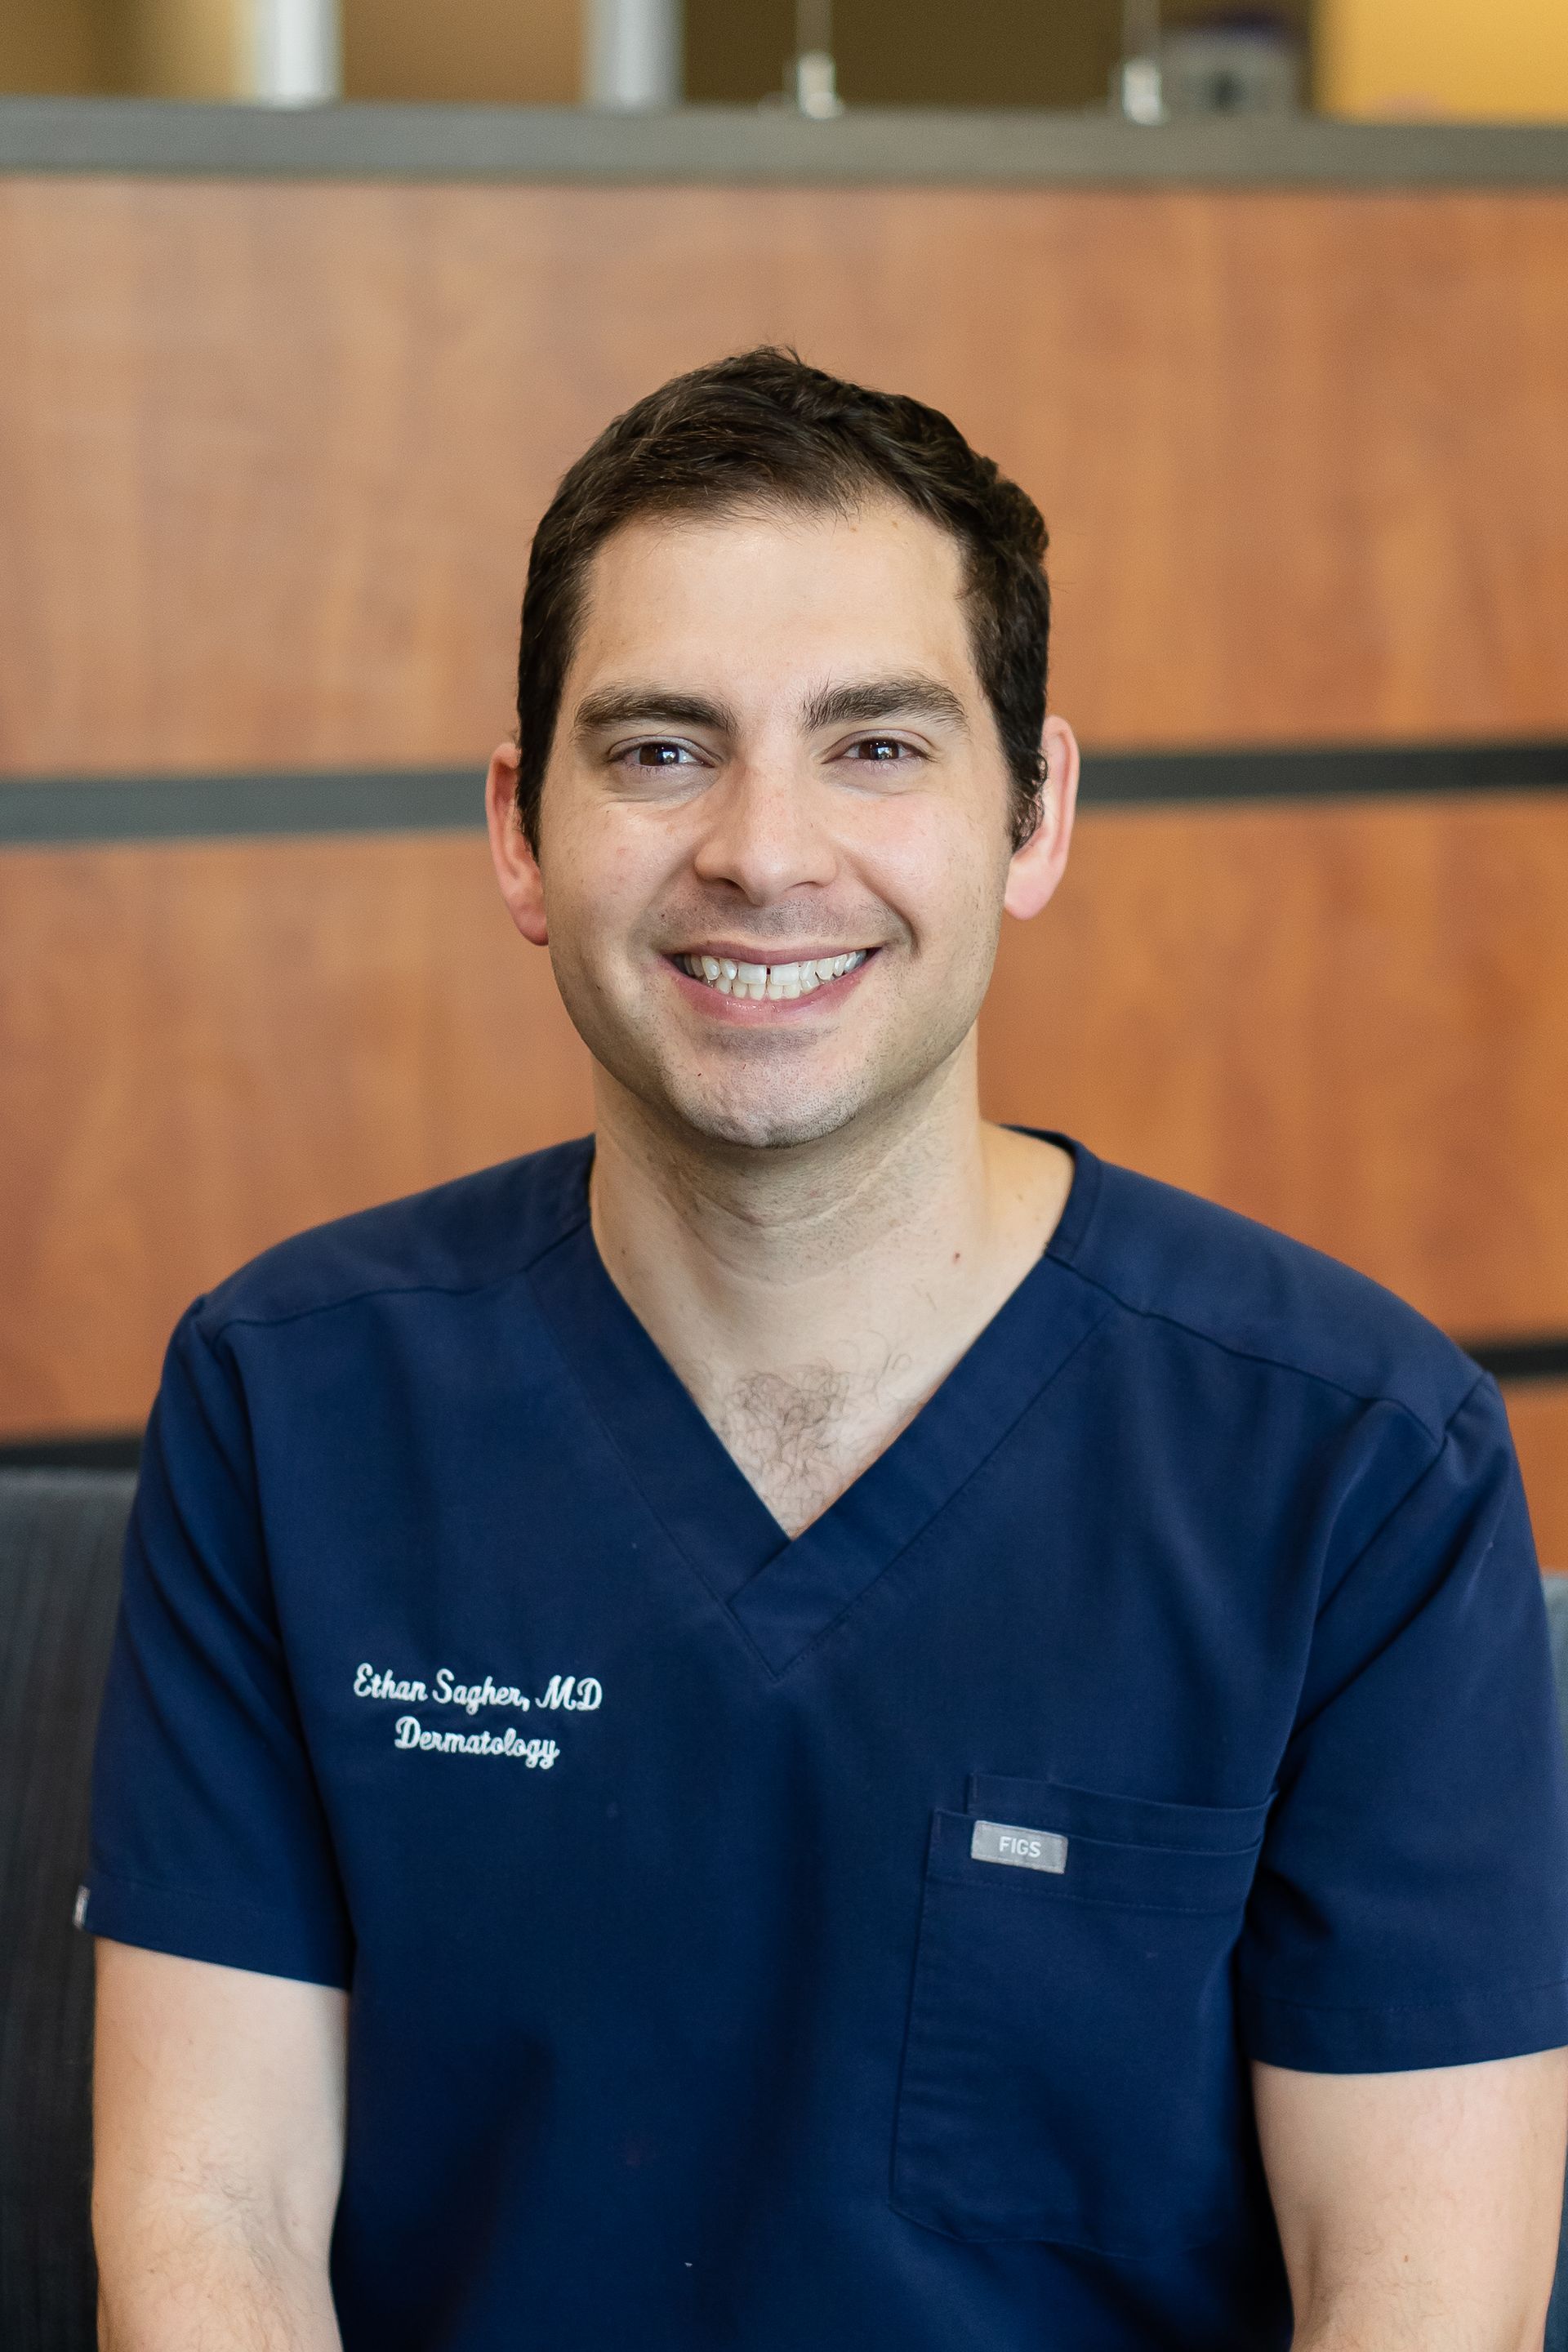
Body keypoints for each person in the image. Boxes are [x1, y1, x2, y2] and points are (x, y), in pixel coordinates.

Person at [86, 347, 1568, 2352]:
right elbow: (214, 2230)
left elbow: (1417, 2306)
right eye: (661, 750)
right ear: (523, 830)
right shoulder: (290, 1404)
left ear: (1035, 811)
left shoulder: (1358, 1464)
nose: (766, 853)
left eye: (875, 747)